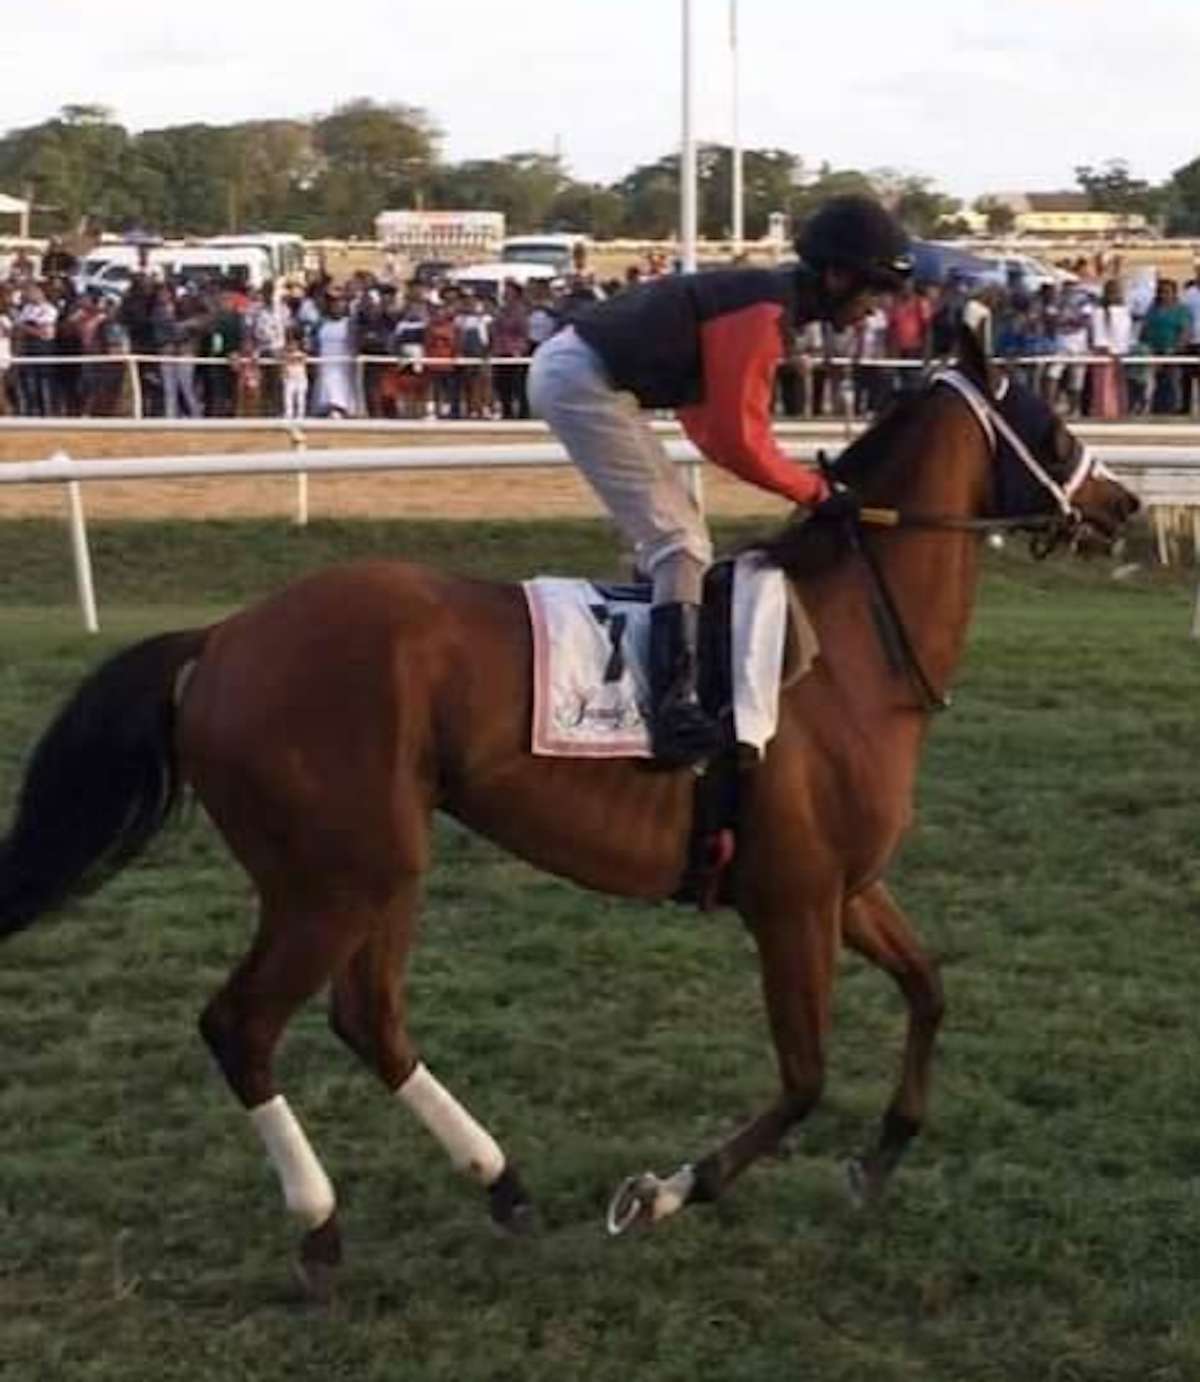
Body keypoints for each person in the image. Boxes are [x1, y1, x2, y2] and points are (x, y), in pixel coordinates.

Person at [528, 194, 912, 767]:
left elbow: (714, 430)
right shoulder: (762, 312)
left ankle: (652, 679)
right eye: (875, 291)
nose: (876, 309)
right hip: (582, 379)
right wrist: (817, 493)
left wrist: (809, 488)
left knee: (678, 534)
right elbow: (736, 439)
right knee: (679, 540)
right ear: (837, 277)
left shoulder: (765, 303)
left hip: (581, 372)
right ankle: (672, 712)